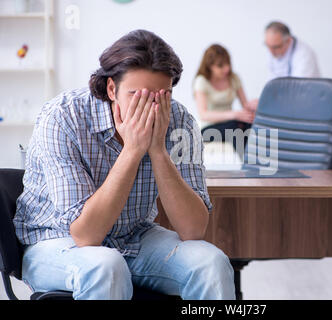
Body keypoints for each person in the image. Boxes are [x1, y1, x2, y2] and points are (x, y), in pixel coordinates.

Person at [13, 30, 235, 300]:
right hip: (56, 242)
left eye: (160, 97)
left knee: (211, 263)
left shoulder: (179, 120)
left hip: (133, 237)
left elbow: (193, 230)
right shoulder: (62, 117)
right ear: (111, 89)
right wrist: (132, 149)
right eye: (137, 96)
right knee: (106, 266)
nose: (149, 108)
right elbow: (86, 235)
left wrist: (157, 150)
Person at [193, 44, 257, 159]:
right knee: (234, 129)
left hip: (232, 122)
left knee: (250, 124)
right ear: (210, 66)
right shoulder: (201, 81)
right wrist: (234, 114)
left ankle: (259, 161)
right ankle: (248, 163)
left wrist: (256, 105)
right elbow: (204, 114)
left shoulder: (233, 78)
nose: (226, 69)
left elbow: (245, 105)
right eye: (220, 66)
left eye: (227, 64)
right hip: (210, 127)